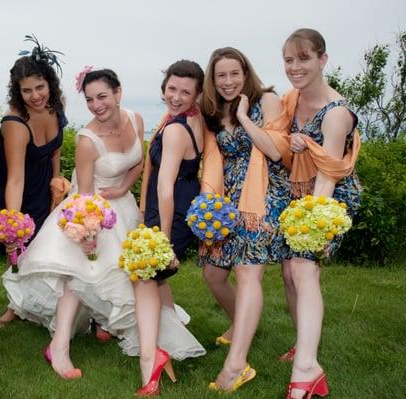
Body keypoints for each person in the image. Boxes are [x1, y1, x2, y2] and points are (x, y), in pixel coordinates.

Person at [4, 68, 205, 382]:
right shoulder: (87, 141)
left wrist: (125, 189)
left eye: (102, 96)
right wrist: (87, 233)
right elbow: (84, 197)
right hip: (89, 209)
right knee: (79, 273)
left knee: (123, 275)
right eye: (89, 100)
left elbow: (140, 161)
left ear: (118, 92)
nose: (97, 105)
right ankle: (58, 348)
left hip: (120, 204)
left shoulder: (136, 119)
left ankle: (104, 325)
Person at [199, 47, 292, 393]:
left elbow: (273, 150)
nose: (227, 81)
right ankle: (243, 324)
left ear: (245, 72)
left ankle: (237, 365)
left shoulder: (266, 100)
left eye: (233, 74)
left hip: (262, 196)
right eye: (220, 75)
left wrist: (244, 116)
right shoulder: (213, 111)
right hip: (229, 200)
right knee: (212, 272)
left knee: (247, 272)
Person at [280, 28, 361, 399]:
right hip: (298, 195)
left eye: (303, 58)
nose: (295, 67)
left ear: (323, 59)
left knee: (302, 267)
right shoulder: (292, 101)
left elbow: (329, 174)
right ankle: (304, 345)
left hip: (329, 200)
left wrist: (311, 226)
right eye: (289, 60)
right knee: (288, 272)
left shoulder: (337, 113)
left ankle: (307, 369)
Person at [0, 37, 68, 328]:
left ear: (50, 84)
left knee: (46, 240)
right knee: (21, 245)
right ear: (17, 92)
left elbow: (55, 148)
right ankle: (15, 304)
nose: (35, 96)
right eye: (27, 90)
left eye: (40, 87)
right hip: (10, 180)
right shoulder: (15, 122)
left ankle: (37, 300)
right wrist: (12, 223)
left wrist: (56, 182)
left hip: (41, 175)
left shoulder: (58, 106)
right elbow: (15, 177)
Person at [135, 60, 206, 396]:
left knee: (144, 275)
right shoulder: (186, 119)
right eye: (172, 88)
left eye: (185, 91)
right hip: (174, 205)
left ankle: (151, 360)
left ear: (197, 94)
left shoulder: (177, 130)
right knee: (156, 279)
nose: (176, 96)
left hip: (172, 211)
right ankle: (170, 340)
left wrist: (162, 238)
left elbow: (166, 186)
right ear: (164, 86)